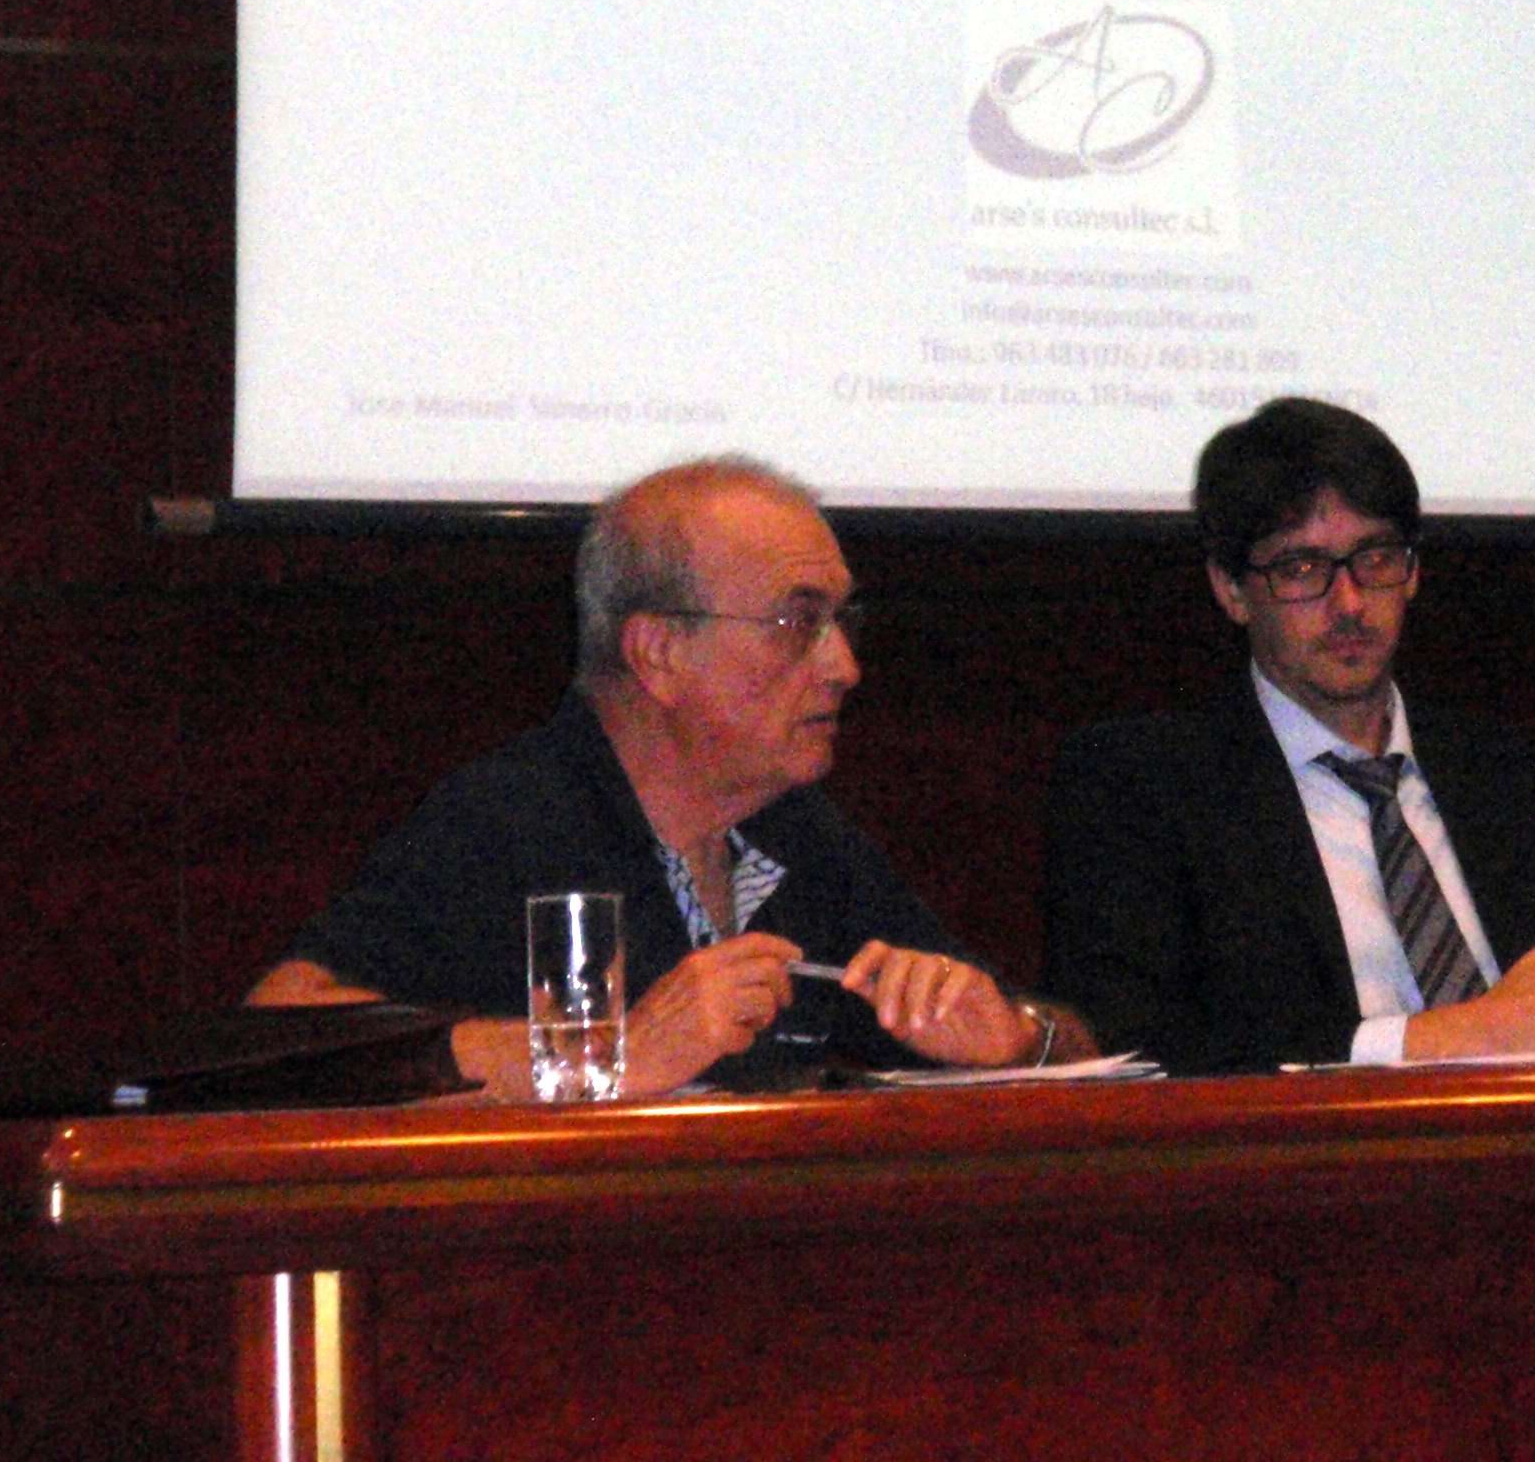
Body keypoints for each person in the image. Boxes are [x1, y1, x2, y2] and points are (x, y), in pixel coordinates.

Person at [249, 455, 1083, 1094]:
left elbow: (1076, 1045)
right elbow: (275, 1039)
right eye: (798, 623)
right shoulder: (512, 817)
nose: (844, 666)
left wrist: (1019, 1039)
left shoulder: (804, 835)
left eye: (842, 623)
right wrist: (597, 1054)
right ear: (659, 652)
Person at [1041, 397, 1535, 1074]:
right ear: (1231, 590)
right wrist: (1448, 1037)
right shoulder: (1142, 785)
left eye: (1375, 558)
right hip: (1313, 1138)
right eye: (1302, 569)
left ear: (1413, 570)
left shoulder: (1507, 772)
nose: (1349, 603)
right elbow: (1133, 1042)